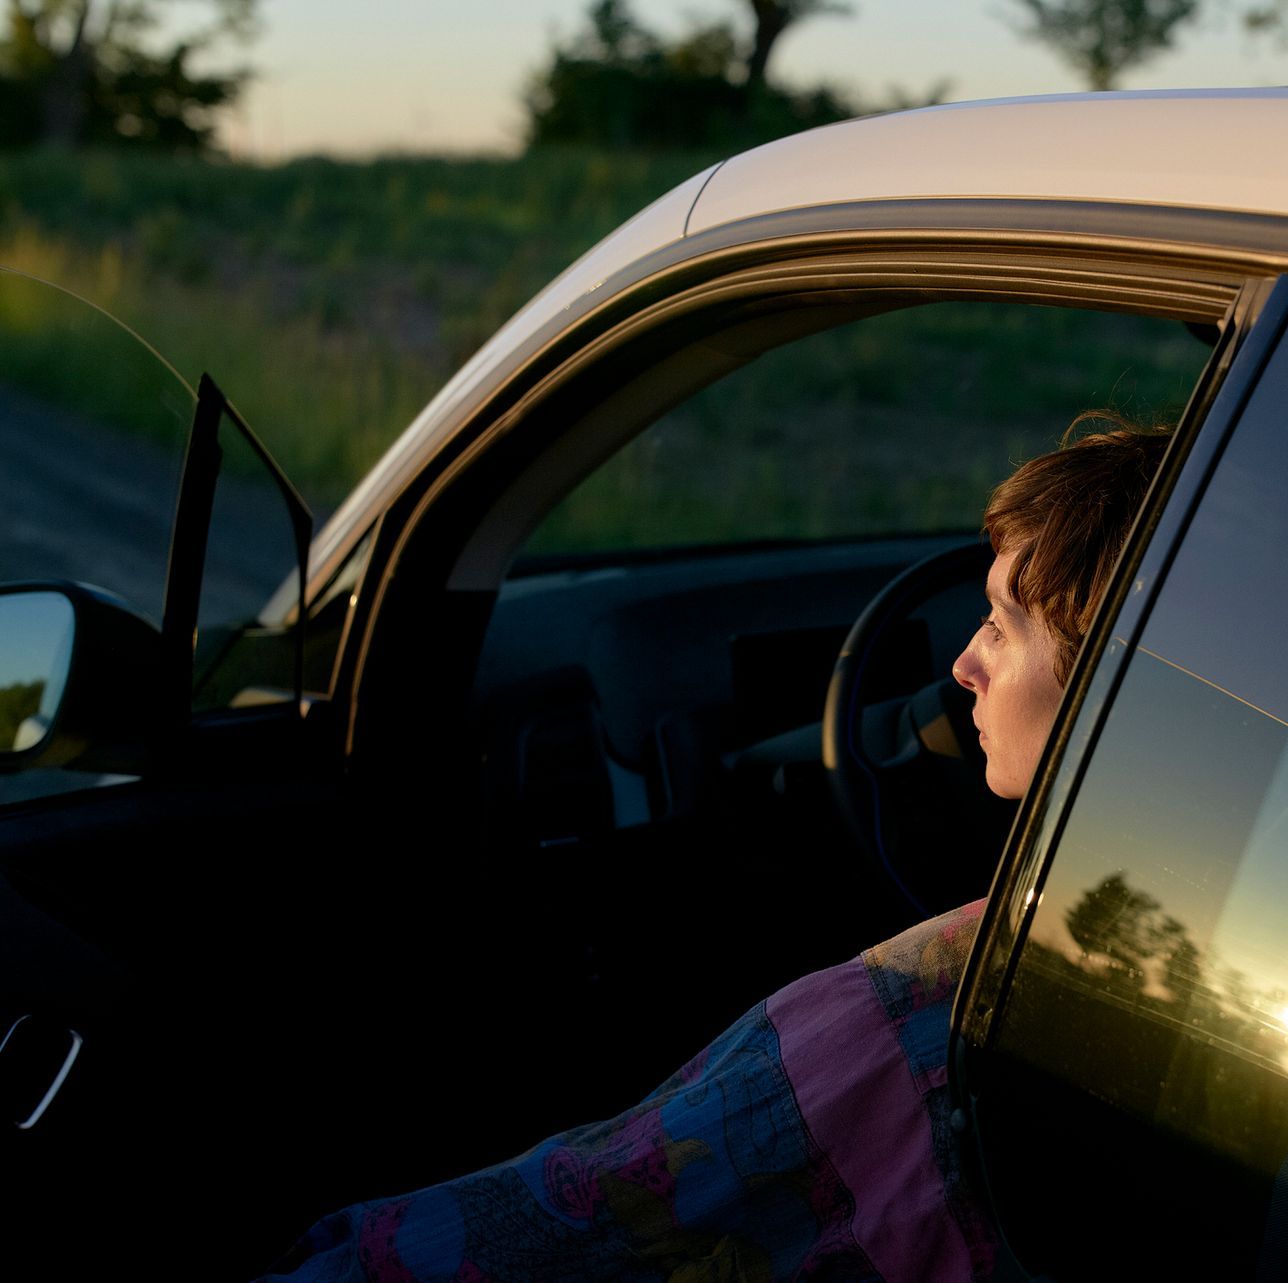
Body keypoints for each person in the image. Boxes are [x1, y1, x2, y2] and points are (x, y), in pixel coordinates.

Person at [262, 417, 1172, 1283]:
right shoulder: (1181, 956)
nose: (963, 667)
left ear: (1106, 681)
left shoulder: (943, 1009)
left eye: (1002, 627)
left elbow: (575, 1220)